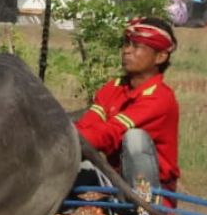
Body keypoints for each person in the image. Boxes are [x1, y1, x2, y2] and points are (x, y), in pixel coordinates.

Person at [76, 18, 180, 194]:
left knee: (134, 139)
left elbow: (112, 132)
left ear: (160, 56)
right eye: (126, 44)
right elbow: (87, 124)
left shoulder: (159, 98)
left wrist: (66, 141)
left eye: (136, 46)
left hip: (154, 194)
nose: (126, 51)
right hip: (115, 183)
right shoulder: (114, 87)